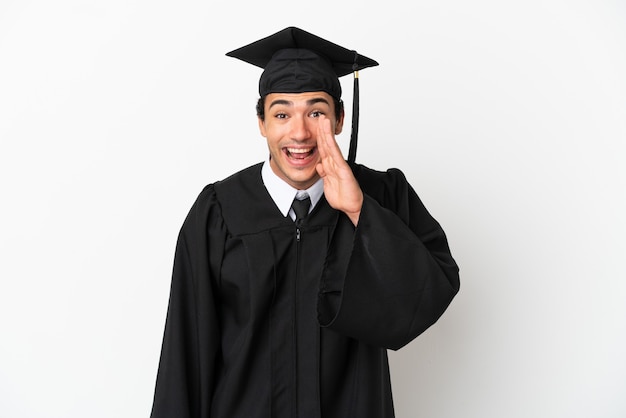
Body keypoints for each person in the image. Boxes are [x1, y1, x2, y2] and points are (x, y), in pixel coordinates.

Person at [150, 26, 460, 418]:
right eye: (282, 113)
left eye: (316, 112)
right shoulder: (219, 211)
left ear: (340, 119)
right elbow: (185, 355)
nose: (299, 132)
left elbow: (427, 295)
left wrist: (359, 211)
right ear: (262, 122)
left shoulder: (382, 196)